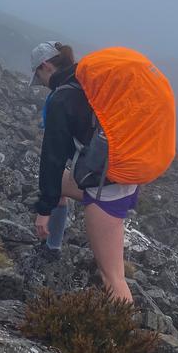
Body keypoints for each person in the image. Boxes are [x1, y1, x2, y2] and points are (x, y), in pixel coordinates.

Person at [29, 41, 137, 303]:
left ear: (46, 66)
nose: (42, 83)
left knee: (112, 276)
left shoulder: (62, 97)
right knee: (61, 186)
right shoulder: (87, 80)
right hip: (119, 173)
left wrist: (43, 211)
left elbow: (53, 158)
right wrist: (50, 195)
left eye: (39, 76)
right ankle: (53, 248)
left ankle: (128, 341)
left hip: (107, 188)